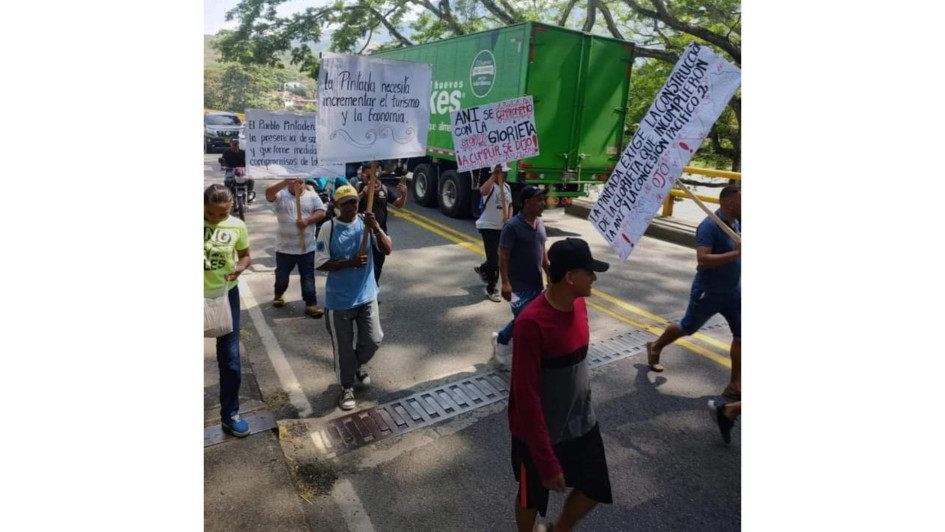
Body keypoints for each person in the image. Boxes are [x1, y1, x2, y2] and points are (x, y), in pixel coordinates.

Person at [509, 238, 612, 532]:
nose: (593, 278)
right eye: (588, 272)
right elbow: (525, 396)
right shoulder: (531, 323)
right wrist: (546, 460)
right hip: (539, 434)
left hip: (581, 423)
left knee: (595, 488)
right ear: (570, 277)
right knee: (531, 498)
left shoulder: (579, 306)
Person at [646, 184, 741, 400]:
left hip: (735, 291)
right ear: (730, 203)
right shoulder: (709, 226)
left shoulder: (738, 221)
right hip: (709, 292)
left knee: (742, 335)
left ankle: (736, 384)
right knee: (687, 326)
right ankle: (656, 346)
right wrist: (737, 254)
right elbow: (703, 259)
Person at [315, 185, 393, 410]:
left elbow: (387, 249)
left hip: (367, 296)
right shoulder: (328, 228)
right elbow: (320, 262)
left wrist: (376, 227)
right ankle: (346, 387)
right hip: (339, 301)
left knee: (373, 339)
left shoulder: (366, 223)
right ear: (336, 206)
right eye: (345, 203)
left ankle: (355, 365)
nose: (351, 206)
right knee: (343, 347)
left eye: (353, 202)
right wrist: (349, 263)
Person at [204, 184, 253, 437]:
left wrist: (240, 268)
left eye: (221, 215)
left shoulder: (237, 226)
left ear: (231, 208)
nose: (215, 220)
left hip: (225, 296)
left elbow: (245, 255)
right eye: (210, 214)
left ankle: (230, 414)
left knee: (231, 360)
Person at [493, 185, 550, 366]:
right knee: (524, 320)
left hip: (536, 284)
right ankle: (502, 340)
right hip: (517, 285)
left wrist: (550, 274)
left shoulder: (540, 224)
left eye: (543, 200)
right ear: (526, 202)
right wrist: (505, 283)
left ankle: (505, 339)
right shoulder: (512, 226)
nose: (543, 204)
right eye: (538, 200)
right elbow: (503, 255)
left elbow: (543, 252)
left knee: (528, 320)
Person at [265, 178, 327, 318]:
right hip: (284, 248)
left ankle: (311, 304)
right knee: (282, 276)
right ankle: (279, 294)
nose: (297, 184)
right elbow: (269, 192)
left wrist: (307, 221)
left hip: (307, 247)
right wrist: (285, 181)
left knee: (308, 277)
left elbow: (321, 212)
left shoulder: (312, 195)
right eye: (293, 181)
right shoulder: (281, 195)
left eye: (300, 181)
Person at [356, 165, 407, 287]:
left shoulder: (383, 188)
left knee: (378, 263)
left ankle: (374, 287)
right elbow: (351, 206)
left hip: (380, 232)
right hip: (362, 233)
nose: (369, 179)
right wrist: (363, 193)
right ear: (362, 175)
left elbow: (398, 204)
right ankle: (365, 291)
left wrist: (404, 195)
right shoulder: (358, 187)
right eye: (366, 176)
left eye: (372, 176)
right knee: (363, 264)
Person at [474, 163, 513, 302]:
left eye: (505, 172)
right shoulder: (491, 186)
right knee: (496, 259)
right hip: (488, 226)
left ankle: (484, 269)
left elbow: (510, 205)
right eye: (502, 173)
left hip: (501, 227)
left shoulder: (507, 187)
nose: (505, 175)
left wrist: (509, 218)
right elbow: (482, 191)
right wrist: (493, 176)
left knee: (498, 256)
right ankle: (491, 288)